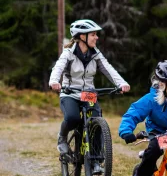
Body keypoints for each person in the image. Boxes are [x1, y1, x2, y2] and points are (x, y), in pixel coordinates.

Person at [49, 19, 130, 157]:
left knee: (96, 122)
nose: (96, 37)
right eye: (93, 34)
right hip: (70, 93)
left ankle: (96, 159)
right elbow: (58, 68)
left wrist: (121, 83)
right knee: (73, 118)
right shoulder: (68, 53)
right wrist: (54, 81)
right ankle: (62, 137)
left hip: (88, 94)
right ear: (82, 36)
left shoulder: (96, 54)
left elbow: (108, 69)